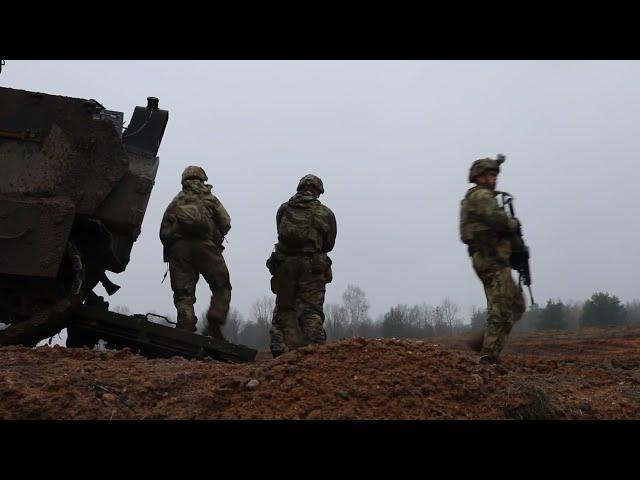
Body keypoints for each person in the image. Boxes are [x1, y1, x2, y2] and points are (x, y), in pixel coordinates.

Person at [459, 157, 525, 364]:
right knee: (501, 307)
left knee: (517, 305)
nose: (494, 179)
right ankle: (488, 360)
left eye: (495, 175)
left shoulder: (485, 196)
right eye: (490, 175)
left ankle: (482, 341)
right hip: (490, 260)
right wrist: (513, 223)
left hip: (496, 260)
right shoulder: (480, 195)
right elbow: (498, 220)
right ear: (479, 177)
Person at [266, 174, 337, 357]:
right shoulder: (325, 213)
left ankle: (279, 349)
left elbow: (280, 233)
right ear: (318, 191)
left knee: (284, 308)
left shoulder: (283, 209)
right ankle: (311, 351)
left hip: (285, 265)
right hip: (311, 266)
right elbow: (329, 244)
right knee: (311, 309)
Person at [159, 166, 231, 339]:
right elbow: (226, 222)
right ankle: (214, 321)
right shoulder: (209, 198)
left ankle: (186, 325)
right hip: (206, 248)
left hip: (179, 250)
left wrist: (175, 245)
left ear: (184, 180)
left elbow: (164, 232)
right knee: (221, 286)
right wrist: (215, 236)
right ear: (202, 179)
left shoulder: (176, 202)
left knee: (184, 294)